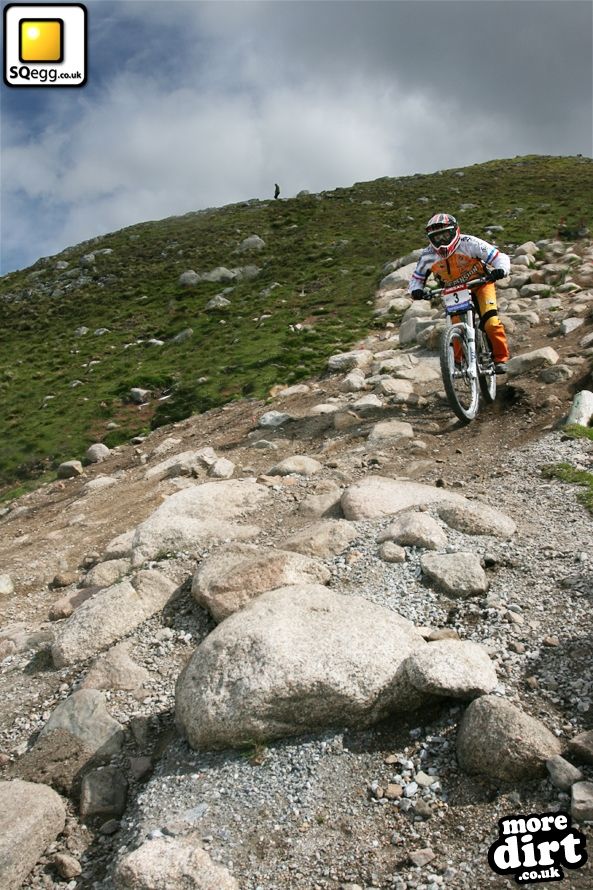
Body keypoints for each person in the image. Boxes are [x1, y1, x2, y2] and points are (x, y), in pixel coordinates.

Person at [408, 213, 511, 373]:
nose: (441, 241)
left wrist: (501, 270)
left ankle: (500, 359)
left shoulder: (470, 243)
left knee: (491, 322)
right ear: (430, 238)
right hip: (454, 291)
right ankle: (459, 361)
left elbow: (499, 257)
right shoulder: (428, 256)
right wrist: (416, 290)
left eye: (445, 235)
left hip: (480, 284)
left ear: (455, 231)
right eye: (437, 237)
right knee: (455, 328)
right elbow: (417, 277)